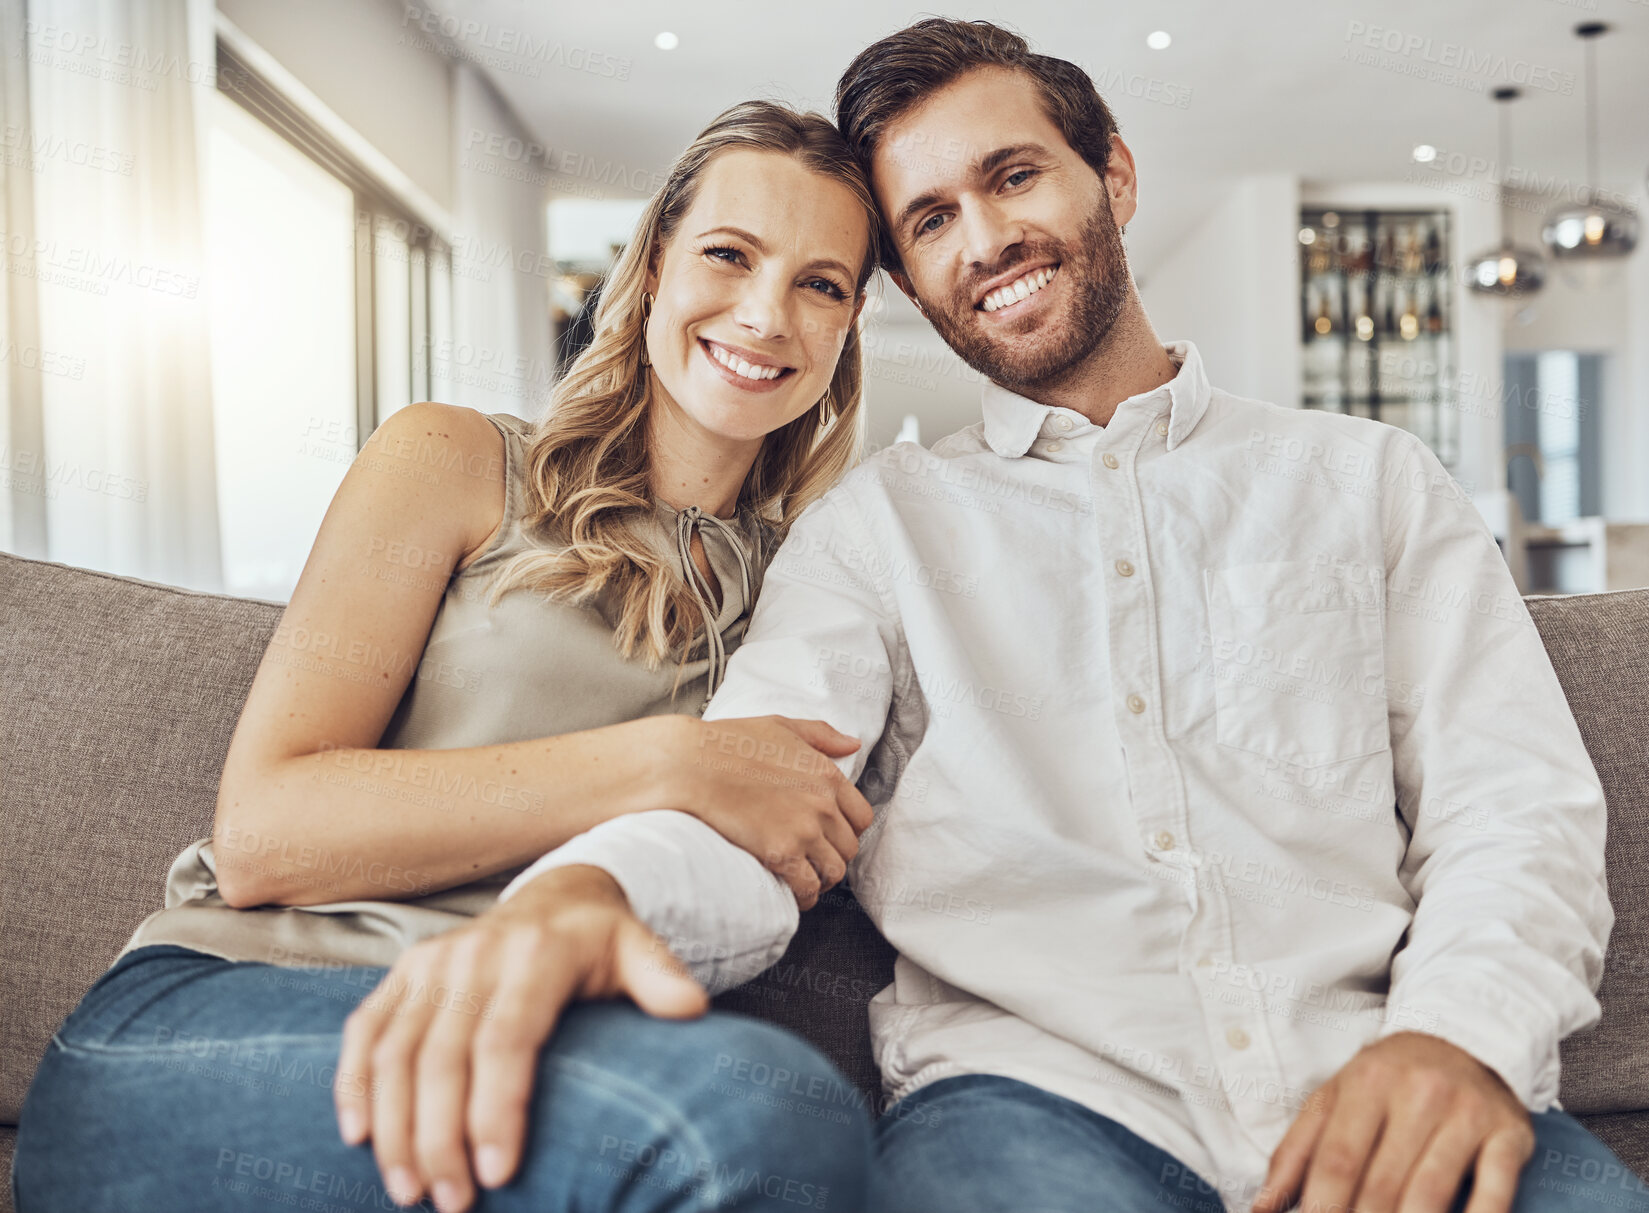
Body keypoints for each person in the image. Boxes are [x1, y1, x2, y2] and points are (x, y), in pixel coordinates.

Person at [472, 19, 1643, 1213]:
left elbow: (1508, 802)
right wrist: (595, 888)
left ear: (1113, 177)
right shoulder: (873, 532)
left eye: (1012, 175)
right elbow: (756, 794)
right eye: (928, 221)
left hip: (1378, 1066)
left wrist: (1460, 1037)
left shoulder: (1367, 479)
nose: (982, 240)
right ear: (906, 282)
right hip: (1025, 1108)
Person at [13, 100, 885, 1213]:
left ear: (848, 324)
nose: (765, 314)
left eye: (820, 284)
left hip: (547, 1042)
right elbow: (266, 837)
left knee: (783, 1120)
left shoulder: (816, 593)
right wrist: (666, 760)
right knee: (754, 1126)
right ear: (655, 263)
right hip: (235, 1005)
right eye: (728, 253)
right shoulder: (455, 459)